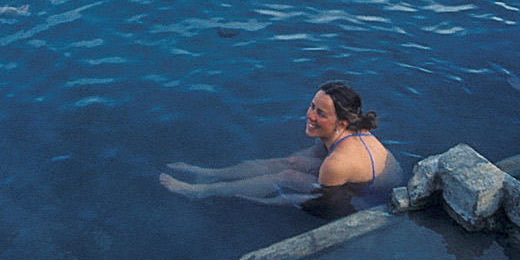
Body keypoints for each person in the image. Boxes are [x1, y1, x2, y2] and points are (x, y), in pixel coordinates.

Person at [160, 81, 403, 214]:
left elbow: (322, 205)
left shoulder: (337, 163)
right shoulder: (345, 132)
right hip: (357, 178)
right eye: (311, 107)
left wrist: (269, 201)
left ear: (342, 122)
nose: (310, 116)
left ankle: (202, 192)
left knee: (287, 176)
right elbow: (295, 160)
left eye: (321, 113)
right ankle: (209, 174)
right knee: (291, 165)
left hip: (371, 197)